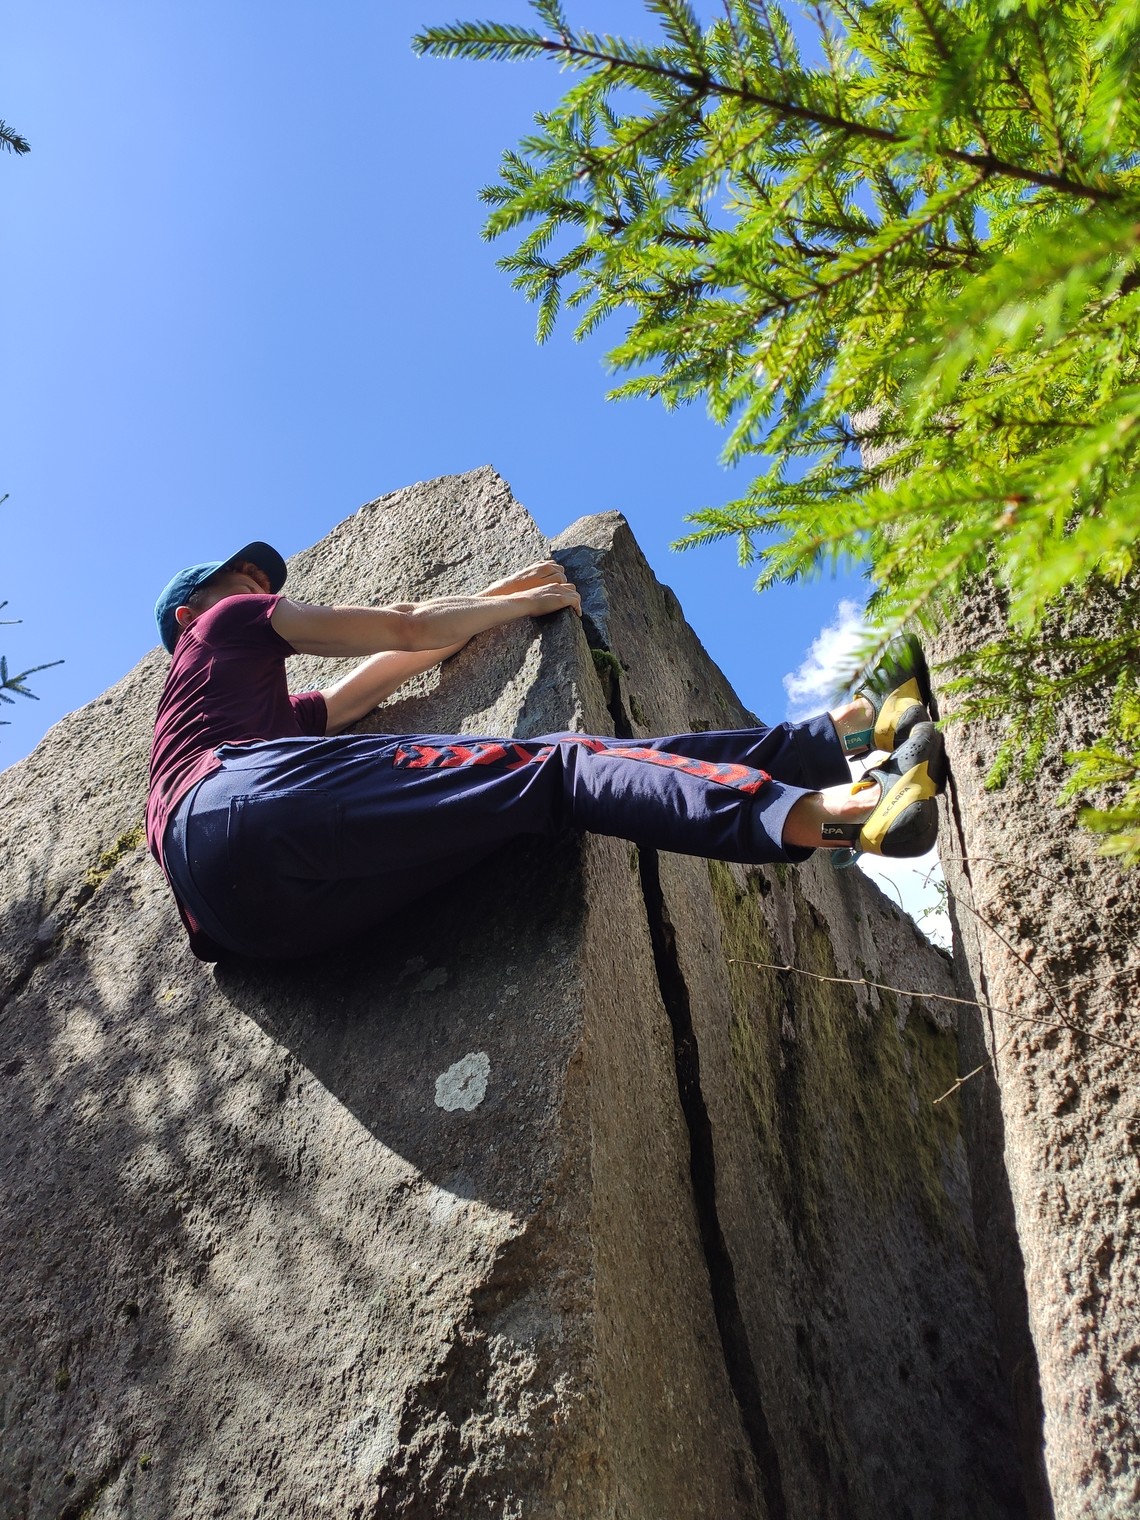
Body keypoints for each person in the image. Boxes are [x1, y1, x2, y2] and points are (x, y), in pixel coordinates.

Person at [147, 540, 945, 961]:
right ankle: (833, 814)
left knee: (539, 795)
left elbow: (371, 683)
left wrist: (494, 603)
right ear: (191, 617)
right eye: (238, 580)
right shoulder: (220, 630)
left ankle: (843, 736)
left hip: (263, 927)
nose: (257, 586)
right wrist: (530, 597)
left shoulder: (242, 719)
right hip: (239, 802)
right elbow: (404, 627)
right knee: (560, 765)